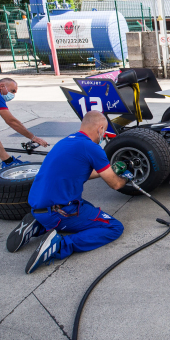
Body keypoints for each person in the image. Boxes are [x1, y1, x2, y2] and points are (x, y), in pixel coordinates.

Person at [8, 111, 133, 274]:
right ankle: (59, 245)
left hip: (38, 205)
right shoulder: (92, 148)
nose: (103, 135)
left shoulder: (66, 141)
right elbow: (116, 184)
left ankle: (37, 225)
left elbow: (82, 173)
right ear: (100, 128)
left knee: (87, 206)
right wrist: (126, 177)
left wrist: (109, 170)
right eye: (104, 131)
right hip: (60, 211)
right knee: (114, 227)